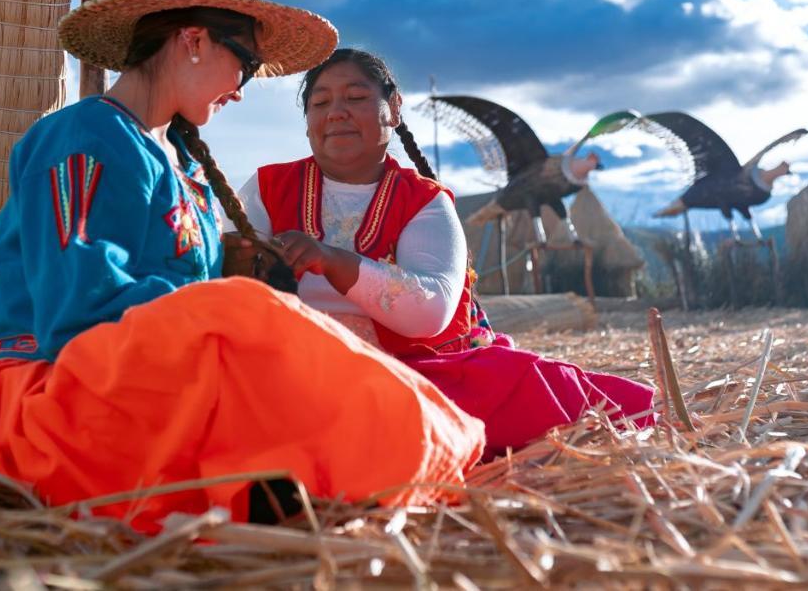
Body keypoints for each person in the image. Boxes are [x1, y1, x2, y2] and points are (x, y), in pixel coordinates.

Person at [0, 0, 485, 530]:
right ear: (194, 42)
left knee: (323, 393)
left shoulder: (182, 167)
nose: (242, 90)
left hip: (159, 382)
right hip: (69, 388)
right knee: (255, 329)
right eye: (246, 66)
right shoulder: (82, 137)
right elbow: (79, 309)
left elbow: (182, 300)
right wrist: (224, 312)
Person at [231, 48, 655, 460]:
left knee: (512, 387)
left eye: (357, 98)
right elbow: (224, 270)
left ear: (393, 109)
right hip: (288, 364)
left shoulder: (425, 202)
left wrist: (335, 261)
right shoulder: (268, 187)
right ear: (308, 124)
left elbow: (430, 309)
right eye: (320, 103)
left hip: (405, 367)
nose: (336, 112)